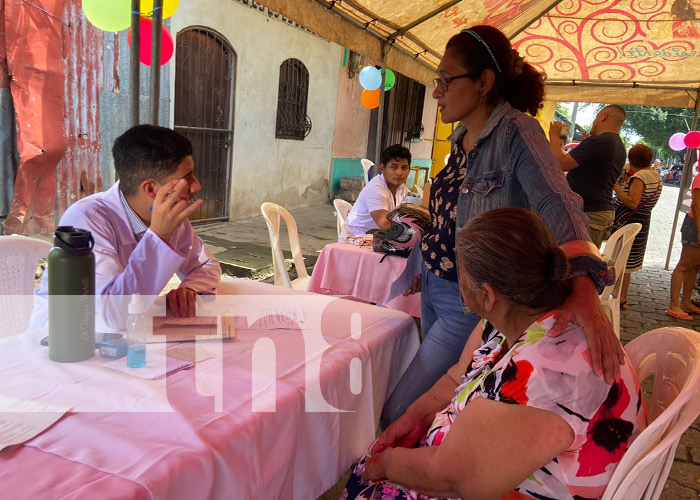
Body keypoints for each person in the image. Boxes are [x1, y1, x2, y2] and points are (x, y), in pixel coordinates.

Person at [381, 25, 623, 426]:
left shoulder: (518, 133)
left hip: (472, 305)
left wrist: (583, 286)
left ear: (484, 82)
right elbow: (451, 214)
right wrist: (424, 259)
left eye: (445, 79)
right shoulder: (460, 137)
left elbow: (560, 204)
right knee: (439, 403)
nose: (437, 90)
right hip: (435, 288)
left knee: (399, 411)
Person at [343, 209, 647, 500]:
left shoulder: (549, 371)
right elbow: (457, 375)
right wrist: (416, 417)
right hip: (472, 466)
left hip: (504, 487)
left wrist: (387, 465)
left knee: (367, 474)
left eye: (461, 275)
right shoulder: (516, 315)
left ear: (488, 295)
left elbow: (455, 478)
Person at [33, 124, 221, 329]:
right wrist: (159, 236)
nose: (196, 186)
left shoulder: (169, 217)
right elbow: (117, 314)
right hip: (66, 333)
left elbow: (206, 265)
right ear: (151, 188)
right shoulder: (86, 219)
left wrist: (191, 289)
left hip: (125, 333)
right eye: (187, 178)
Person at [549, 105, 627, 248]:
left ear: (603, 116)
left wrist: (554, 137)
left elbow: (561, 163)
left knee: (578, 263)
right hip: (598, 211)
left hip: (590, 214)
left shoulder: (601, 141)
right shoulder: (616, 144)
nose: (593, 122)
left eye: (595, 117)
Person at [611, 144, 662, 310]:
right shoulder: (654, 174)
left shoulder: (640, 177)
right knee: (628, 263)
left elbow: (633, 202)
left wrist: (616, 187)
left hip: (629, 221)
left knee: (621, 261)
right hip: (642, 221)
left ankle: (618, 297)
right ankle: (621, 298)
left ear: (632, 159)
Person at [344, 145, 411, 238]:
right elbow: (385, 225)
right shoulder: (375, 189)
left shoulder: (403, 189)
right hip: (355, 239)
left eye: (404, 168)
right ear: (382, 168)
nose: (399, 173)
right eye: (394, 167)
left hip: (380, 238)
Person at [667, 163, 700, 320]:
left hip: (696, 224)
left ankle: (685, 302)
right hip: (695, 224)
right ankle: (674, 305)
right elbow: (697, 206)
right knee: (685, 265)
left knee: (694, 266)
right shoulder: (699, 179)